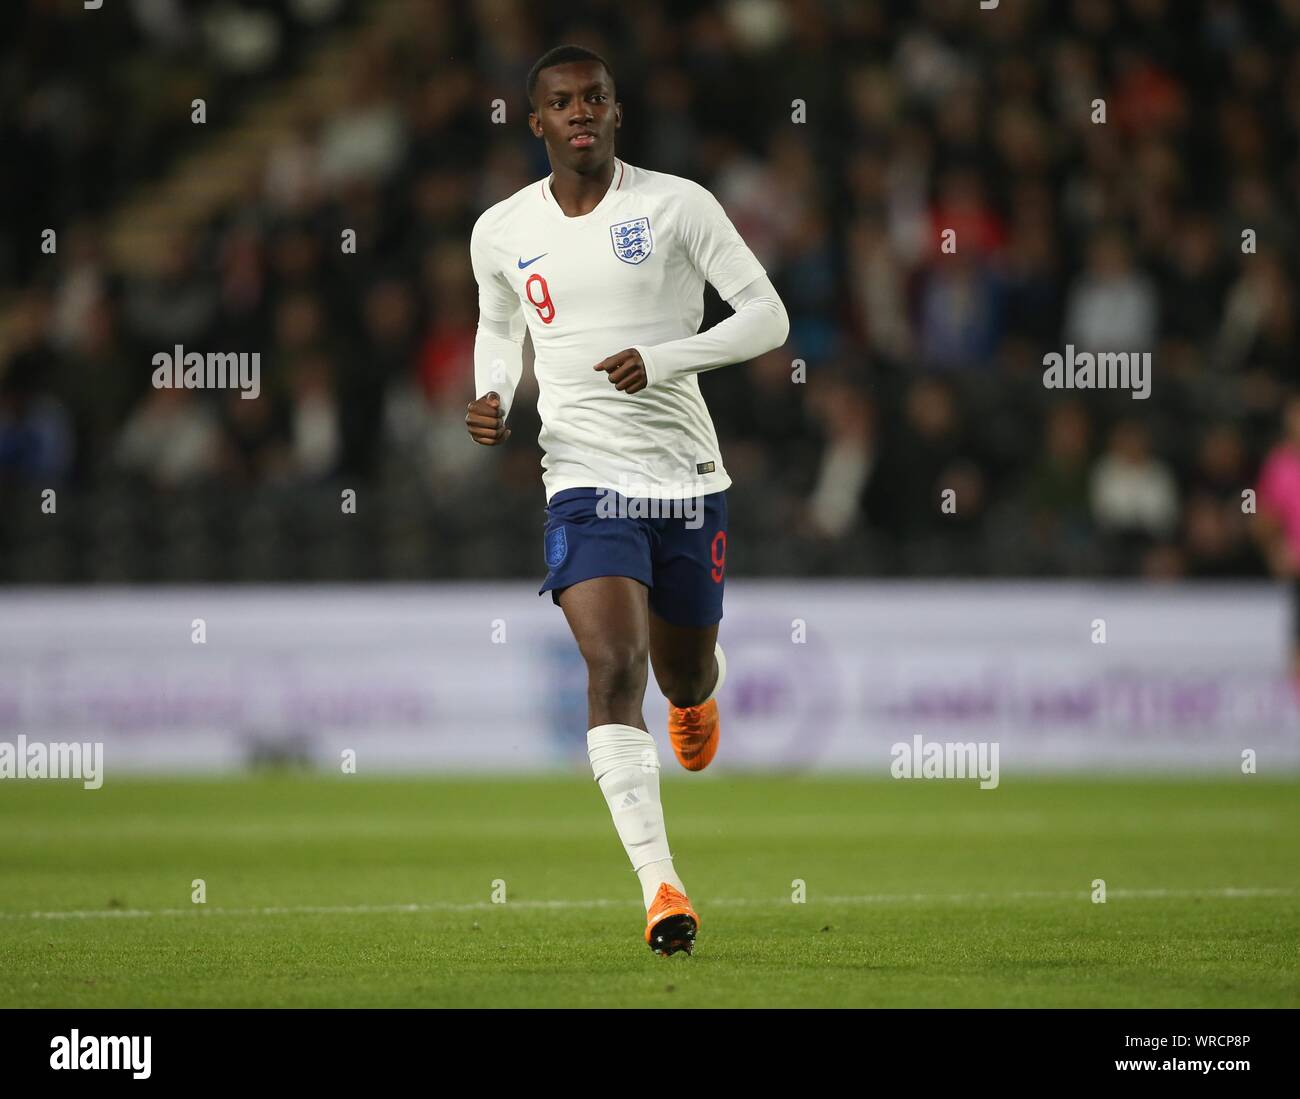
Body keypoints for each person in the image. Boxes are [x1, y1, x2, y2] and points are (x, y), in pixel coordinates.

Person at [465, 45, 789, 956]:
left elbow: (769, 317)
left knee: (683, 675)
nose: (580, 113)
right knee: (614, 665)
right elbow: (500, 323)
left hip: (686, 478)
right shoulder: (499, 228)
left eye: (595, 99)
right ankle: (662, 888)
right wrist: (495, 391)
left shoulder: (678, 205)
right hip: (580, 477)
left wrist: (666, 358)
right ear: (535, 122)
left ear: (616, 113)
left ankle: (696, 698)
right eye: (561, 102)